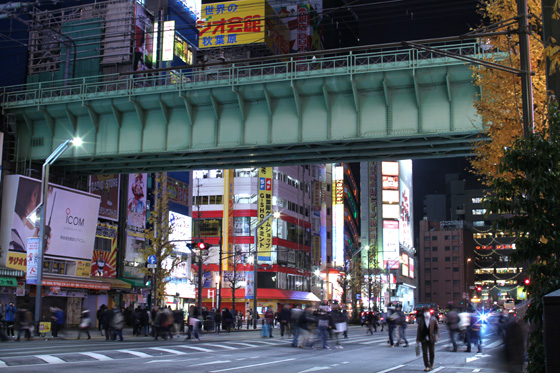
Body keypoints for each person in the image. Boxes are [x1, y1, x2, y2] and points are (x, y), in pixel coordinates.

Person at [417, 307, 440, 371]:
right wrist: (417, 339)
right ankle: (427, 365)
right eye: (425, 312)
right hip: (423, 338)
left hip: (431, 338)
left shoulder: (433, 319)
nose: (426, 313)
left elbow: (437, 328)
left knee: (431, 352)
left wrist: (436, 335)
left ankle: (431, 363)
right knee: (424, 353)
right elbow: (419, 330)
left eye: (427, 311)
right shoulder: (421, 320)